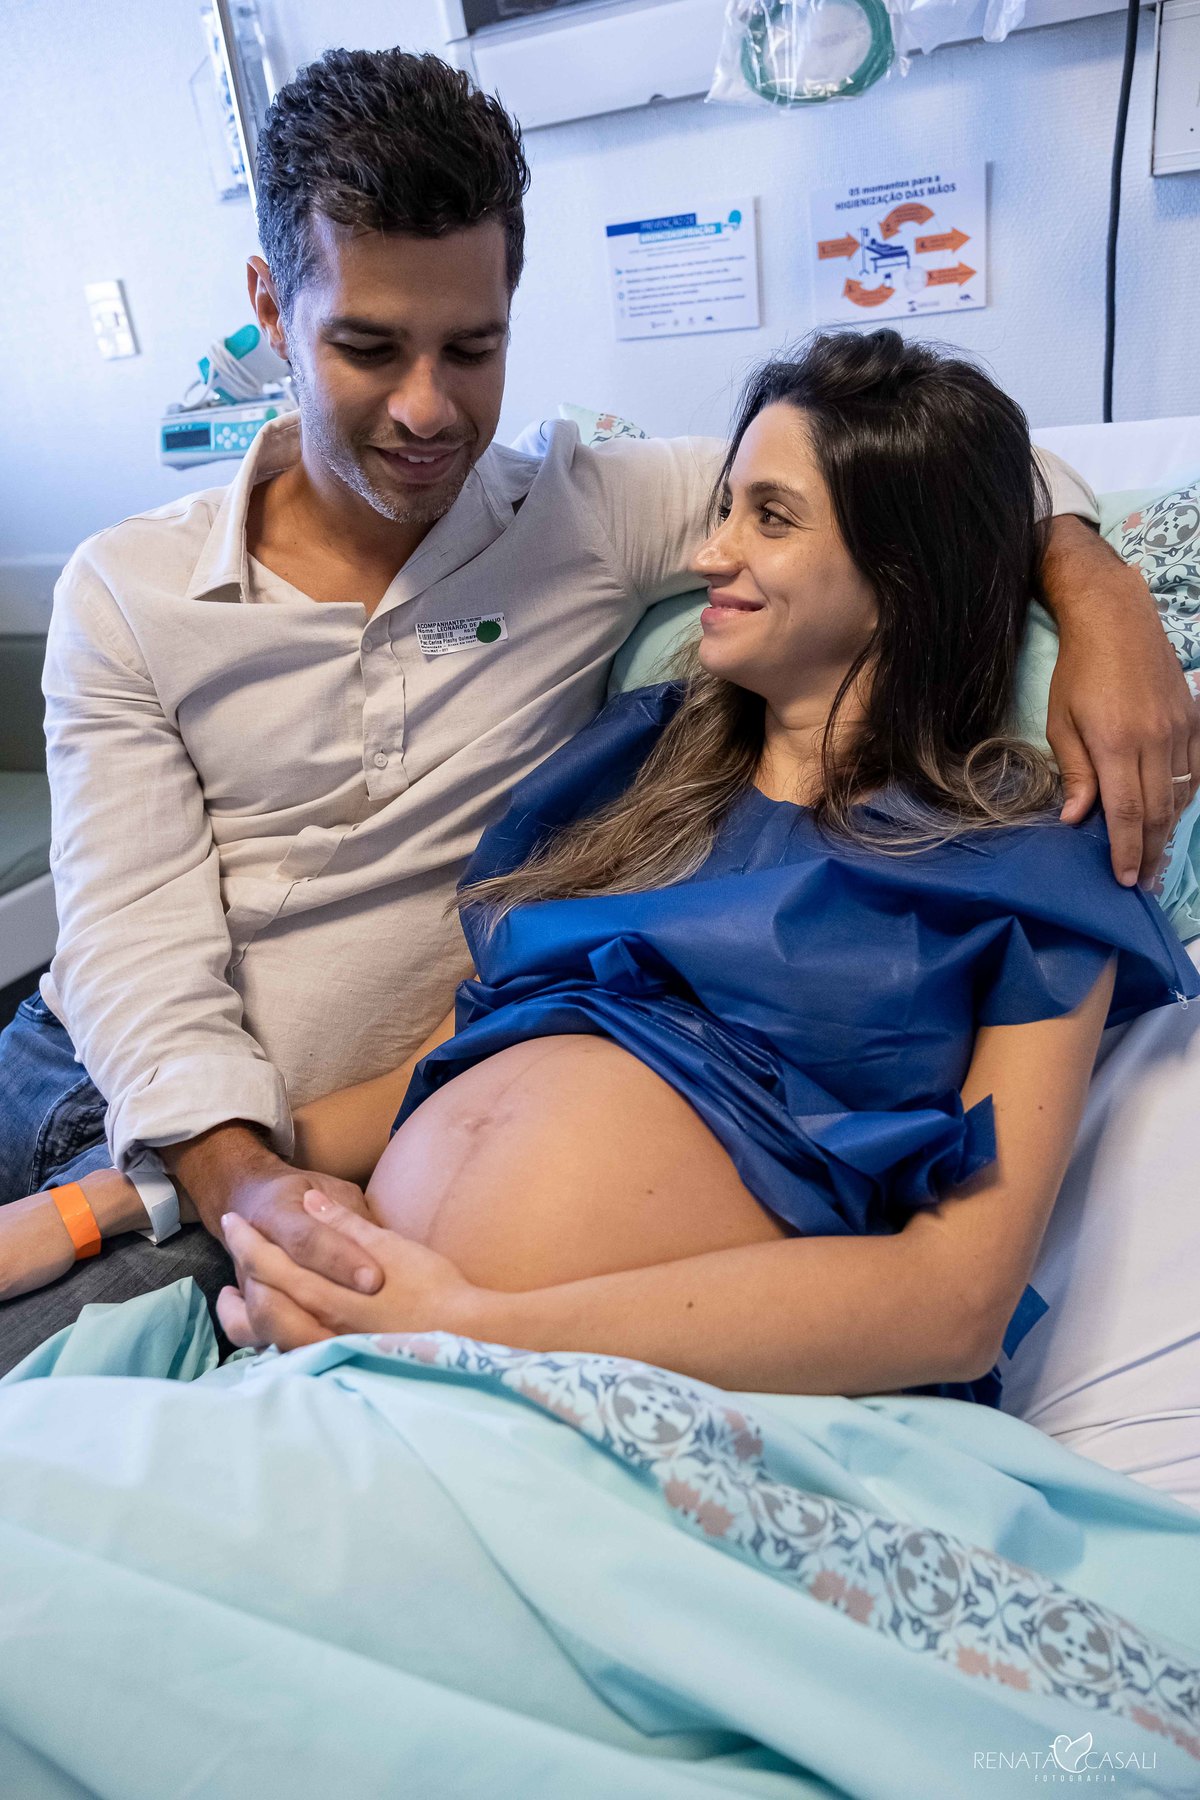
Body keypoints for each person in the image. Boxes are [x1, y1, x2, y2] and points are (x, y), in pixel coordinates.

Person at [0, 51, 1195, 1371]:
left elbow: (949, 470)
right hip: (148, 1109)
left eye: (473, 348)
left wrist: (1105, 602)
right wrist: (208, 1187)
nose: (426, 407)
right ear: (271, 308)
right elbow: (137, 955)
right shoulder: (134, 594)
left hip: (356, 1231)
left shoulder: (584, 520)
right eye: (368, 346)